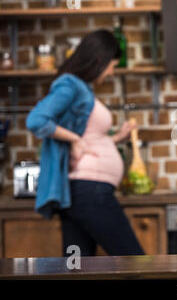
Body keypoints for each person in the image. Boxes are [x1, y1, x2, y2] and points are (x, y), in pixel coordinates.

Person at [26, 29, 144, 256]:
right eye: (112, 65)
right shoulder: (71, 85)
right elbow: (36, 120)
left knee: (79, 269)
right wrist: (74, 138)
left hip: (81, 193)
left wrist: (116, 138)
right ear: (99, 60)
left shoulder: (82, 89)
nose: (111, 72)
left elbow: (90, 138)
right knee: (135, 261)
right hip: (90, 191)